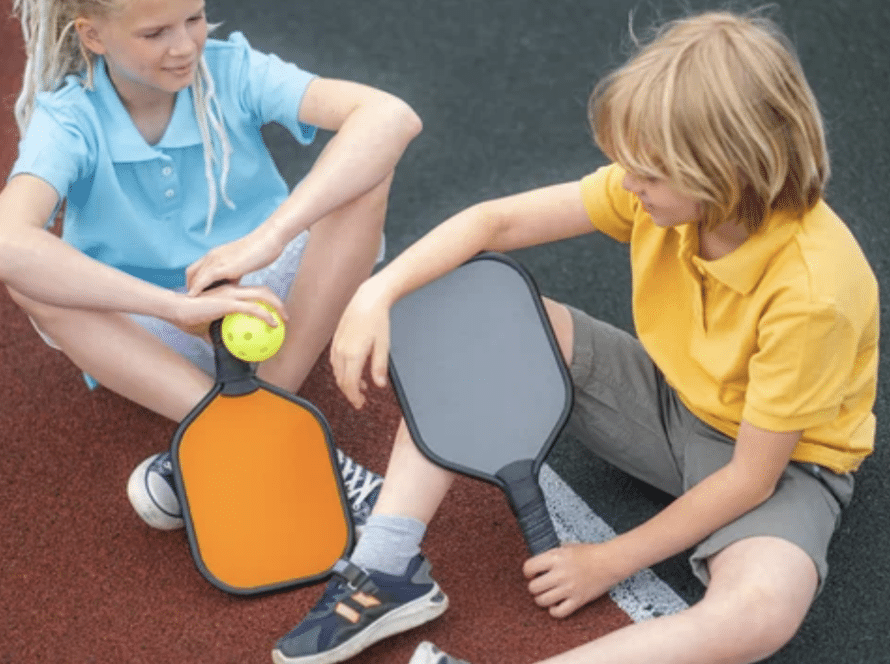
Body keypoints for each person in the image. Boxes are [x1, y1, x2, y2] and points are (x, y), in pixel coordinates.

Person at [271, 9, 879, 664]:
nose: (628, 180)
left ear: (724, 171)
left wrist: (605, 561)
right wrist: (377, 291)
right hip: (673, 403)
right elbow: (495, 222)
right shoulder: (659, 191)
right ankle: (387, 565)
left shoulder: (814, 294)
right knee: (468, 304)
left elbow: (749, 482)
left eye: (647, 171)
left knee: (758, 613)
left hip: (781, 466)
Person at [0, 0, 422, 530]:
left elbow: (391, 116)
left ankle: (240, 424)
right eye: (155, 33)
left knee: (368, 170)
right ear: (93, 37)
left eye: (193, 19)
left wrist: (269, 239)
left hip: (272, 297)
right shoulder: (69, 117)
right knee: (31, 285)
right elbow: (7, 242)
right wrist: (174, 307)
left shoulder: (230, 69)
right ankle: (270, 433)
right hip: (155, 330)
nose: (184, 47)